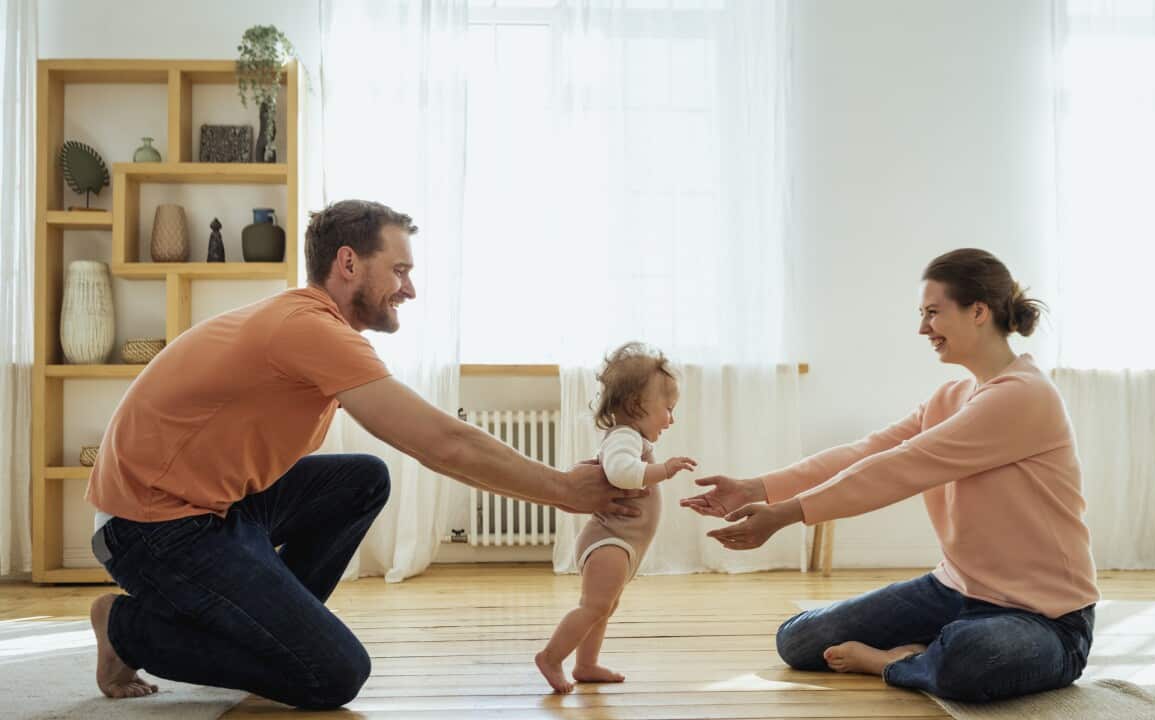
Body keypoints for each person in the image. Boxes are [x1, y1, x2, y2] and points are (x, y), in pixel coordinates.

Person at [84, 199, 646, 709]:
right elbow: (442, 442)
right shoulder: (309, 329)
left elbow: (429, 438)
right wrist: (565, 491)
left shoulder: (311, 327)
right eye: (399, 271)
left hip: (216, 507)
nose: (410, 289)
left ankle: (271, 636)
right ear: (348, 263)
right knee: (333, 675)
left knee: (363, 479)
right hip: (152, 527)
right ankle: (125, 629)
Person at [681, 248, 1099, 702]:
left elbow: (900, 468)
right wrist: (757, 487)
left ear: (978, 311)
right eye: (922, 314)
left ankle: (895, 661)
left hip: (1046, 618)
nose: (923, 328)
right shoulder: (952, 396)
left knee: (971, 657)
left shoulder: (1023, 396)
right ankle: (928, 654)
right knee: (798, 640)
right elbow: (867, 451)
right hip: (954, 589)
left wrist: (783, 515)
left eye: (933, 313)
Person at [535, 343, 697, 693]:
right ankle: (551, 657)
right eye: (668, 409)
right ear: (636, 405)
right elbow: (621, 472)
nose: (672, 419)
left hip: (620, 543)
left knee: (604, 607)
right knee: (594, 606)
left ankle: (587, 664)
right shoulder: (624, 438)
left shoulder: (632, 438)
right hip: (609, 541)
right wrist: (663, 470)